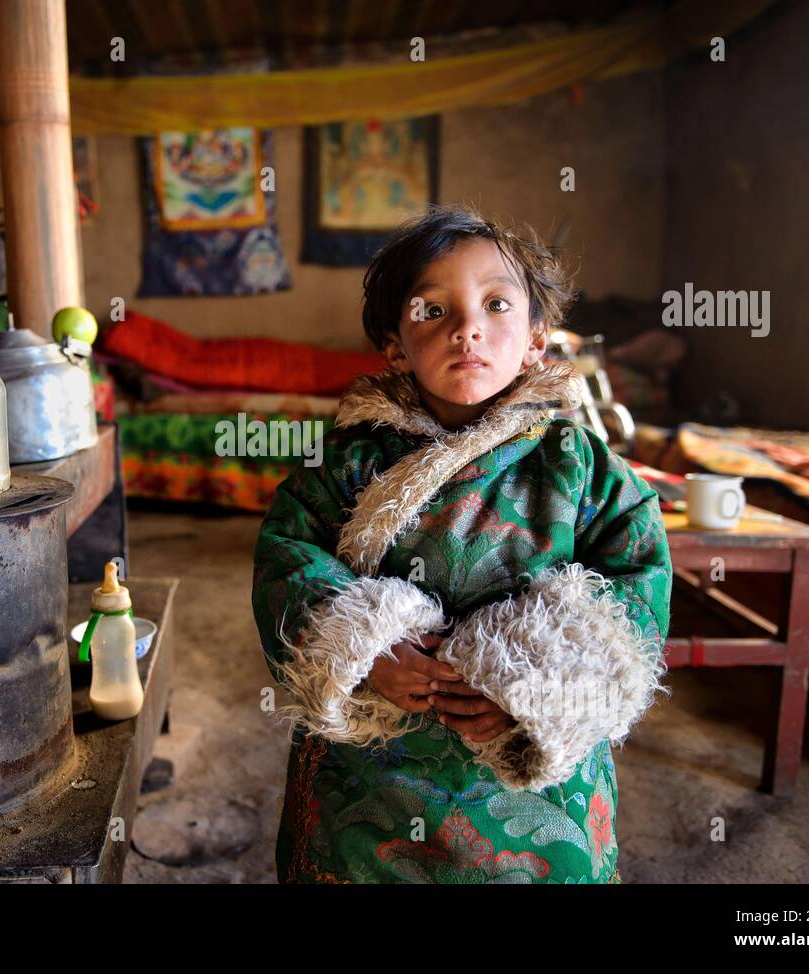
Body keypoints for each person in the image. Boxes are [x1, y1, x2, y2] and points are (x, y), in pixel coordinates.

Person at [251, 204, 671, 884]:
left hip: (527, 769)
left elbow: (635, 580)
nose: (467, 327)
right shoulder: (349, 462)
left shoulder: (577, 463)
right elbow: (286, 555)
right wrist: (363, 648)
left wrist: (536, 683)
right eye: (431, 311)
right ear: (394, 344)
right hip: (376, 767)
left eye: (496, 304)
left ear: (537, 340)